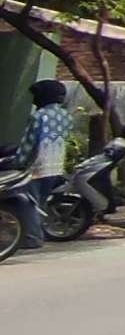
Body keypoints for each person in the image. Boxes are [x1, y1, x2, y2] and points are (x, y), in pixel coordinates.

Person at [7, 78, 79, 247]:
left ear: (45, 96)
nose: (34, 100)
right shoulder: (65, 116)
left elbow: (29, 145)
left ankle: (33, 238)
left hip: (36, 167)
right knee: (40, 202)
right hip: (55, 166)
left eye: (36, 96)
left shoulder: (38, 116)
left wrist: (16, 163)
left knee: (28, 203)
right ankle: (34, 235)